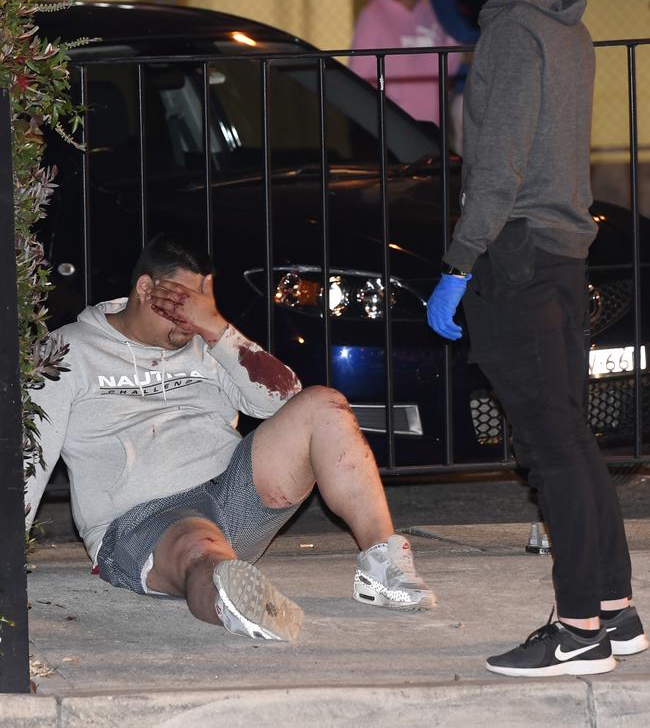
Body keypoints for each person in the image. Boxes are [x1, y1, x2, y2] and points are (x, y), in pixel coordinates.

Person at [426, 0, 648, 677]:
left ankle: (578, 626)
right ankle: (616, 611)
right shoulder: (569, 27)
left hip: (515, 255)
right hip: (560, 250)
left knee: (550, 444)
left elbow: (498, 168)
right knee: (570, 437)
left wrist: (457, 264)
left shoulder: (513, 37)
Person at [25, 233, 434, 642]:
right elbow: (31, 455)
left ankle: (382, 566)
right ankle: (231, 595)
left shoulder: (208, 344)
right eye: (180, 305)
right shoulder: (67, 351)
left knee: (323, 404)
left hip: (233, 496)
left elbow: (284, 403)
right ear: (146, 289)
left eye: (201, 307)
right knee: (197, 548)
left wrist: (218, 330)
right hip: (142, 518)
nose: (189, 321)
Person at [349, 0, 462, 124]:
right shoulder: (373, 15)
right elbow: (359, 74)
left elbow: (450, 67)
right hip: (391, 126)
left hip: (431, 123)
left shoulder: (433, 13)